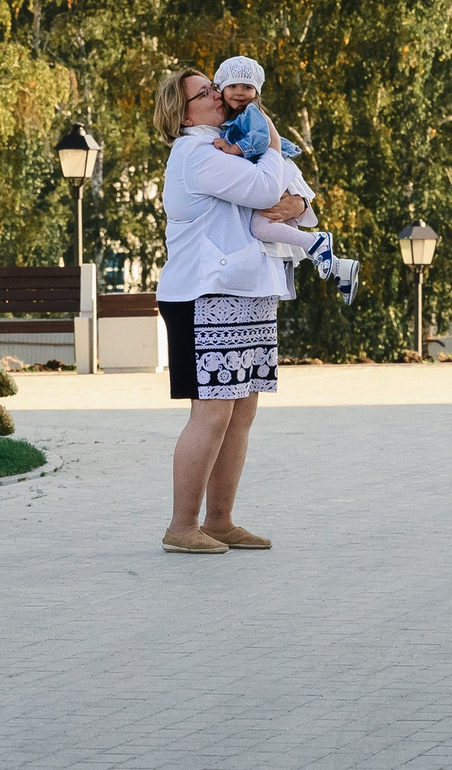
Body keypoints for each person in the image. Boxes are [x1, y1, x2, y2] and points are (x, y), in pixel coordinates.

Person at [154, 65, 312, 555]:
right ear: (183, 114)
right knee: (213, 415)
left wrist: (297, 198)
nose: (218, 95)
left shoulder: (233, 142)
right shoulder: (198, 153)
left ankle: (219, 521)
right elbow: (267, 190)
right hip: (206, 296)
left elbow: (296, 193)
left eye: (214, 87)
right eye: (205, 92)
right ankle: (182, 526)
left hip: (247, 292)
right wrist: (271, 142)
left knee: (241, 413)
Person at [212, 56, 359, 303]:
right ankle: (340, 269)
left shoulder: (251, 113)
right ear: (221, 88)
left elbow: (260, 140)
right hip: (273, 171)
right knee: (284, 233)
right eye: (233, 86)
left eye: (247, 87)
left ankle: (319, 241)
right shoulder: (238, 116)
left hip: (274, 171)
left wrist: (232, 149)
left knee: (263, 228)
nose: (240, 92)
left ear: (257, 92)